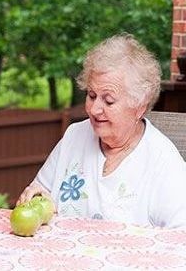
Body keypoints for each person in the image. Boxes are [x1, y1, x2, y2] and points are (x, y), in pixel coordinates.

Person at [17, 33, 186, 228]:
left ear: (139, 106)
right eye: (91, 95)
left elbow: (180, 238)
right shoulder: (74, 136)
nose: (94, 109)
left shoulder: (162, 161)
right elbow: (42, 193)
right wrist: (36, 198)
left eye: (108, 100)